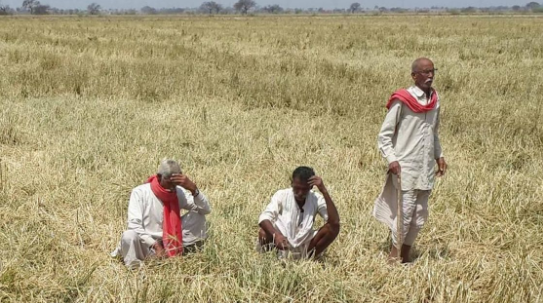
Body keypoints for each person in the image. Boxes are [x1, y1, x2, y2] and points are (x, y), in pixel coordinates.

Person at [373, 57, 447, 263]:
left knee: (420, 214)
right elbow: (384, 136)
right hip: (405, 166)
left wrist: (439, 155)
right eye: (425, 72)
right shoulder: (402, 100)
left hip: (425, 167)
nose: (430, 75)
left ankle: (406, 253)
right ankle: (394, 256)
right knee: (404, 213)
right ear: (414, 76)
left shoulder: (435, 100)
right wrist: (392, 159)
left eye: (432, 71)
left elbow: (433, 132)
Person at [111, 159, 211, 268]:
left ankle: (174, 252)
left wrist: (194, 190)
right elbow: (134, 226)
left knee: (198, 216)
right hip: (146, 245)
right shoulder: (140, 193)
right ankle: (135, 268)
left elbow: (205, 210)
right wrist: (155, 245)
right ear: (159, 177)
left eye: (176, 184)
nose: (172, 188)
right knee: (128, 235)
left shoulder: (178, 192)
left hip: (168, 242)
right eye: (169, 183)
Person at [257, 166, 340, 260]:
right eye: (297, 188)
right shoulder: (281, 195)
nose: (300, 193)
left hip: (305, 244)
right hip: (281, 243)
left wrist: (324, 191)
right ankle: (270, 260)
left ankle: (308, 258)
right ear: (292, 183)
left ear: (311, 187)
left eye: (304, 189)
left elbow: (334, 222)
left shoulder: (316, 199)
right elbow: (264, 217)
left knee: (332, 228)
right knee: (264, 232)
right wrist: (276, 235)